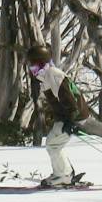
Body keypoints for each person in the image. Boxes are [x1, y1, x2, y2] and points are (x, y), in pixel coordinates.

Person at [27, 44, 90, 187]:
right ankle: (62, 173)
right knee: (52, 143)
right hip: (66, 116)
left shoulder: (53, 74)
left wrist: (71, 121)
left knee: (53, 145)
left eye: (33, 63)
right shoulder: (46, 76)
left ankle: (64, 175)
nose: (31, 67)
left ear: (40, 62)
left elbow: (68, 98)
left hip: (73, 116)